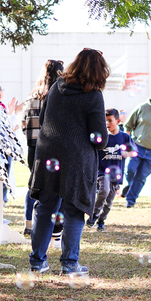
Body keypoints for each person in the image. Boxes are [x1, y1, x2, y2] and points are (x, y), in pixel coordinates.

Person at [28, 48, 109, 275]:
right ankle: (70, 264)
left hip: (48, 154)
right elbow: (99, 137)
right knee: (73, 210)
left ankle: (37, 261)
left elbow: (44, 119)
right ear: (99, 71)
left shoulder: (55, 88)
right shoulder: (94, 95)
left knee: (45, 208)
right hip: (76, 160)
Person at [22, 60, 64, 237]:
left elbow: (24, 124)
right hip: (54, 148)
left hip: (33, 148)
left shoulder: (31, 98)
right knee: (56, 188)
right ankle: (54, 227)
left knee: (34, 185)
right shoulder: (60, 97)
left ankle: (29, 223)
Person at [88, 109, 136, 230]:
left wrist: (127, 153)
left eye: (110, 121)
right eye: (105, 121)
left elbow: (134, 152)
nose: (107, 124)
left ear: (118, 121)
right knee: (104, 190)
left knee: (109, 202)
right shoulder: (103, 137)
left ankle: (101, 221)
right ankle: (94, 214)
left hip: (116, 174)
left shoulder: (124, 137)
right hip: (103, 171)